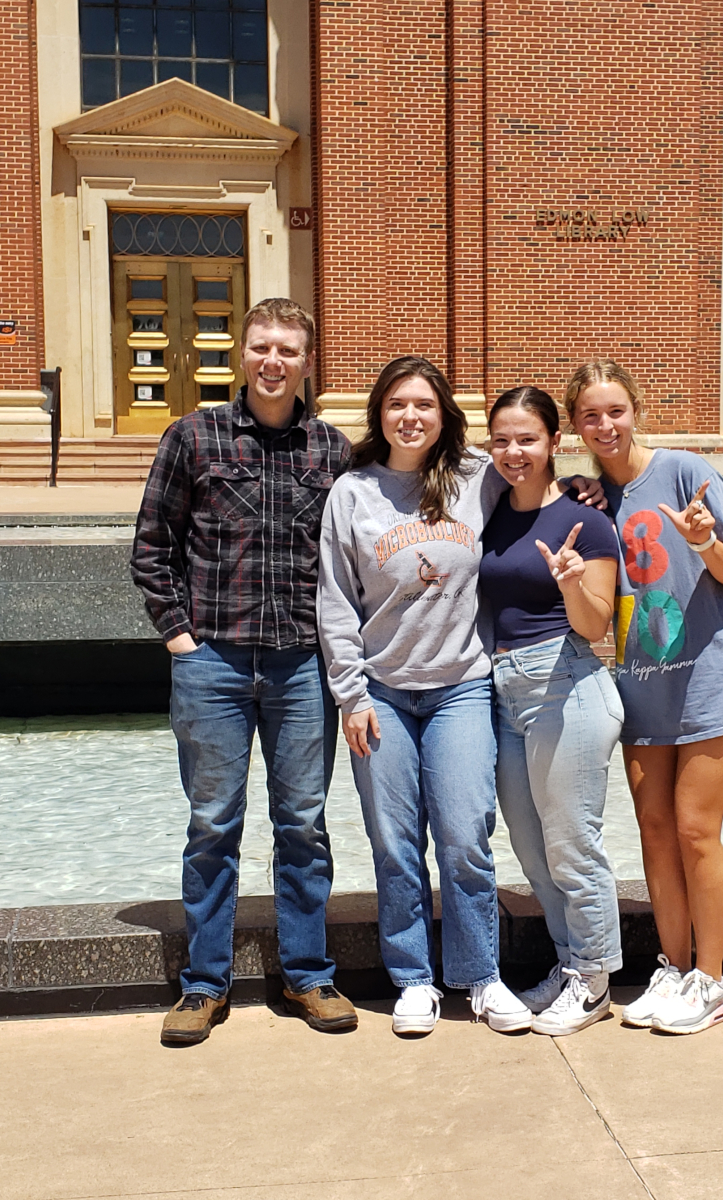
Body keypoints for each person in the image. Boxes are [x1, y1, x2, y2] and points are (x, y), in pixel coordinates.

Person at [131, 296, 359, 1046]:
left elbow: (398, 510)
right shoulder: (191, 438)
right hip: (213, 666)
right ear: (242, 354)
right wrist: (179, 640)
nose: (273, 361)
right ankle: (203, 984)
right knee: (212, 826)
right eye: (261, 346)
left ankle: (308, 974)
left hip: (301, 668)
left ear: (306, 361)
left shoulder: (333, 451)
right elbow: (151, 547)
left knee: (302, 825)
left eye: (288, 350)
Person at [317, 355, 536, 1037]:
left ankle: (480, 976)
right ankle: (413, 978)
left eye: (424, 405)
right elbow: (334, 601)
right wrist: (352, 695)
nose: (410, 416)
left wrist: (582, 484)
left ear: (443, 416)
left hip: (460, 689)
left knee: (466, 834)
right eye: (397, 404)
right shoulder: (351, 493)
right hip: (381, 693)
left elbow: (537, 479)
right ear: (380, 413)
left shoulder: (476, 478)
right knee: (394, 841)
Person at [566, 357, 723, 1036]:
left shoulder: (687, 472)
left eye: (615, 410)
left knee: (693, 828)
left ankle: (710, 982)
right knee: (655, 833)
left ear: (636, 409)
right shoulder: (590, 498)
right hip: (643, 683)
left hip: (714, 676)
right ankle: (674, 968)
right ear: (575, 425)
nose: (605, 424)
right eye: (590, 415)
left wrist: (705, 541)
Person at [480, 386, 624, 1037]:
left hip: (566, 680)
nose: (514, 451)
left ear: (553, 443)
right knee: (533, 848)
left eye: (527, 439)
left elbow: (596, 624)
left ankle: (596, 978)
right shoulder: (488, 511)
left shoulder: (585, 522)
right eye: (502, 440)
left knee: (572, 844)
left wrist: (570, 583)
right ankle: (570, 966)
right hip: (503, 687)